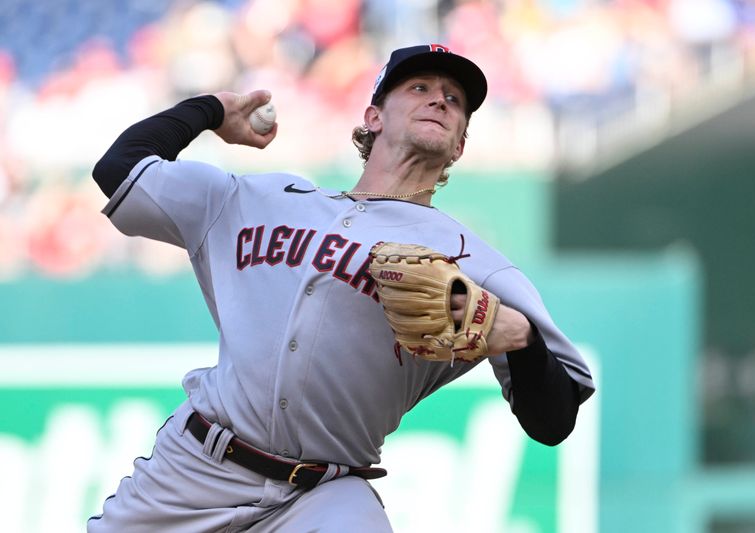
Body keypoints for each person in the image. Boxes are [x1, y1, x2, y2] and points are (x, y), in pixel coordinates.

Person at [88, 44, 595, 532]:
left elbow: (552, 422)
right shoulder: (258, 198)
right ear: (374, 116)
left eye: (455, 100)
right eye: (419, 87)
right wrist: (212, 109)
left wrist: (522, 340)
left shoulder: (477, 263)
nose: (440, 99)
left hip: (325, 493)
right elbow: (119, 171)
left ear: (459, 143)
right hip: (194, 469)